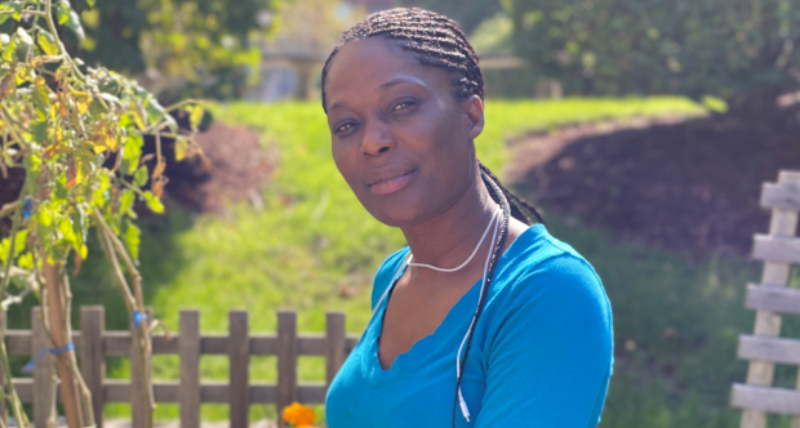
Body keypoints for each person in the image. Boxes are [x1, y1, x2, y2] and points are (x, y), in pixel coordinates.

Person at [321, 7, 613, 427]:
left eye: (402, 105)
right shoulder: (394, 277)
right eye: (346, 125)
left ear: (471, 114)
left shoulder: (548, 290)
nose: (372, 142)